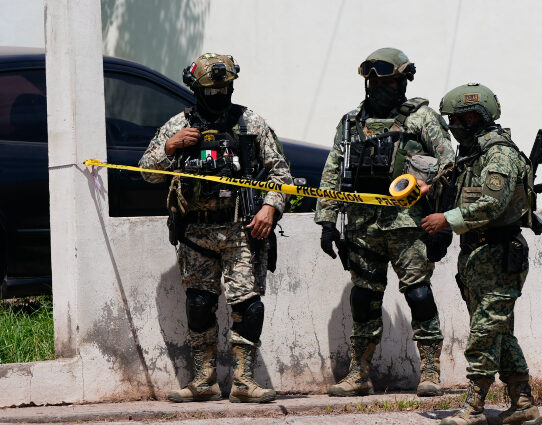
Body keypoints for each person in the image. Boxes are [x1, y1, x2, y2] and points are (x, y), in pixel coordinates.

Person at [140, 53, 292, 403]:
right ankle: (203, 380)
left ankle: (243, 382)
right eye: (210, 90)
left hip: (243, 231)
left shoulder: (250, 123)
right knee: (198, 303)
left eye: (223, 89)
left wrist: (270, 206)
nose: (217, 96)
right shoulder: (178, 125)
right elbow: (147, 170)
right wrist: (170, 146)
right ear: (195, 89)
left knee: (249, 306)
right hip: (197, 234)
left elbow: (280, 173)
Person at [315, 48, 455, 397]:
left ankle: (432, 370)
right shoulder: (350, 122)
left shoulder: (421, 118)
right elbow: (333, 170)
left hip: (409, 224)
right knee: (363, 299)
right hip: (363, 226)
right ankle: (358, 374)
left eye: (391, 81)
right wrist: (327, 221)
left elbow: (451, 164)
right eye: (377, 82)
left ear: (403, 82)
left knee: (419, 294)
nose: (383, 88)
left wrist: (440, 211)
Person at [421, 82, 542, 425]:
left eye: (463, 118)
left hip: (500, 254)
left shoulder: (499, 155)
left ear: (481, 117)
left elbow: (493, 204)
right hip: (477, 254)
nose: (456, 126)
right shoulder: (472, 155)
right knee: (500, 333)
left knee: (485, 333)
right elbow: (461, 192)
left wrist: (448, 219)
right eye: (453, 120)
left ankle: (474, 407)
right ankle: (523, 405)